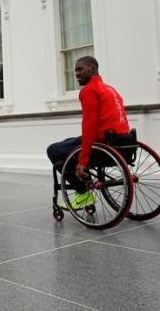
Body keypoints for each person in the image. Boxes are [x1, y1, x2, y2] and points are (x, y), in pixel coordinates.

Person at [46, 56, 130, 209]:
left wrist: (83, 161)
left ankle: (83, 192)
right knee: (67, 142)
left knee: (54, 150)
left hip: (103, 146)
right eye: (75, 70)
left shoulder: (89, 90)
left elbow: (89, 125)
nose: (76, 73)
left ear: (93, 69)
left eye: (80, 69)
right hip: (122, 144)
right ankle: (86, 183)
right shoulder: (110, 89)